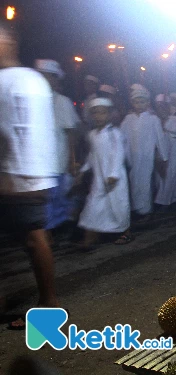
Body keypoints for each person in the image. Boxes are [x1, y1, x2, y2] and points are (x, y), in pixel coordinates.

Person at [0, 20, 61, 328]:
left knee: (35, 239)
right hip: (14, 176)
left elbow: (31, 134)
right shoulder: (12, 79)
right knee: (32, 239)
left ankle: (49, 308)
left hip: (23, 178)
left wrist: (25, 178)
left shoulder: (23, 80)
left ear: (9, 41)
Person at [34, 59, 81, 232]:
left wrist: (72, 161)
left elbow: (71, 134)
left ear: (54, 79)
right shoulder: (36, 99)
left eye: (46, 77)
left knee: (58, 199)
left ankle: (57, 230)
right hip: (39, 162)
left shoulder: (62, 101)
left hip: (57, 162)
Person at [77, 98, 130, 247]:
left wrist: (113, 174)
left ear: (109, 115)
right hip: (99, 179)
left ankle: (126, 233)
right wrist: (82, 171)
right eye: (96, 113)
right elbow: (92, 155)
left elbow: (119, 154)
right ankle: (90, 237)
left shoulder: (115, 134)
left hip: (115, 179)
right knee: (93, 205)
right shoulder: (92, 135)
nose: (99, 116)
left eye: (103, 113)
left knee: (117, 207)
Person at [120, 86, 168, 222]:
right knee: (134, 181)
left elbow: (160, 139)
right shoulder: (128, 119)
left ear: (147, 103)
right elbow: (121, 138)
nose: (139, 105)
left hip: (147, 156)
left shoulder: (153, 119)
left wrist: (164, 157)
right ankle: (136, 208)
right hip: (131, 157)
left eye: (142, 102)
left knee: (145, 181)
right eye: (136, 102)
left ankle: (146, 210)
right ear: (132, 103)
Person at [154, 94, 176, 209]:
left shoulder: (174, 119)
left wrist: (165, 128)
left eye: (163, 106)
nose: (161, 109)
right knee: (160, 176)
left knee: (170, 174)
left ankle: (164, 201)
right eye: (158, 106)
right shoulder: (155, 120)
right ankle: (166, 198)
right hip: (160, 153)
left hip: (172, 154)